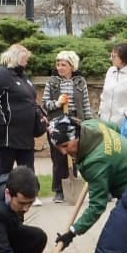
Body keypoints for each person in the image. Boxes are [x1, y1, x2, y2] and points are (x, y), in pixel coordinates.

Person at [49, 117, 127, 245]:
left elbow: (97, 206)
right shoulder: (90, 125)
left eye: (65, 145)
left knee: (122, 232)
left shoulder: (95, 163)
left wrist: (72, 232)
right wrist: (115, 156)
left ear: (76, 136)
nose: (63, 152)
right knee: (124, 229)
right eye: (58, 148)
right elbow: (115, 127)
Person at [41, 50, 93, 202]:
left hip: (75, 121)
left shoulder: (80, 82)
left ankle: (75, 182)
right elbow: (45, 103)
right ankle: (59, 190)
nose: (60, 67)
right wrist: (57, 103)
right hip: (57, 122)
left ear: (72, 66)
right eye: (58, 64)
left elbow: (85, 104)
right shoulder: (52, 82)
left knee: (75, 155)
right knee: (58, 157)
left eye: (63, 65)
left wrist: (88, 122)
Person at [0, 43, 43, 178]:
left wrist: (39, 114)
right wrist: (1, 122)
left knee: (28, 171)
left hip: (26, 134)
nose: (27, 62)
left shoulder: (23, 76)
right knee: (5, 171)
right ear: (16, 58)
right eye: (25, 59)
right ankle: (1, 191)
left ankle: (28, 191)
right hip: (9, 134)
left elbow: (31, 99)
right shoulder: (2, 74)